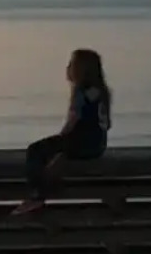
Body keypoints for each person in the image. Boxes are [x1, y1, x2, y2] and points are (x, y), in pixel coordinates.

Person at [13, 49, 112, 215]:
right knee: (58, 155)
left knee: (35, 150)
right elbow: (107, 124)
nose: (67, 68)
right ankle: (49, 182)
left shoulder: (80, 91)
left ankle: (37, 195)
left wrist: (60, 141)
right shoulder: (101, 92)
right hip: (98, 146)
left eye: (71, 64)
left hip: (81, 142)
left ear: (81, 69)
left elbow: (71, 123)